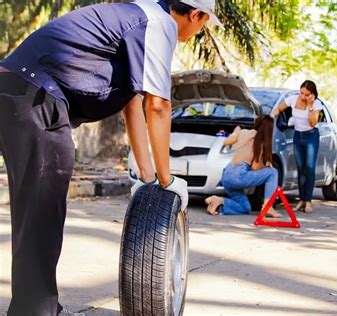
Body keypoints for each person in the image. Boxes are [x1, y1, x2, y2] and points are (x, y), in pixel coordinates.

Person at [0, 0, 223, 314]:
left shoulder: (139, 14)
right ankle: (35, 311)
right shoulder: (159, 24)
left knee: (34, 213)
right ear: (196, 14)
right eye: (204, 24)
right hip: (37, 95)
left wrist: (147, 178)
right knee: (42, 213)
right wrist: (167, 179)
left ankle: (37, 306)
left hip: (19, 90)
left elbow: (132, 104)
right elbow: (157, 106)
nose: (200, 31)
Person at [205, 116, 282, 218]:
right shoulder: (262, 143)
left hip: (226, 175)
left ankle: (218, 201)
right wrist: (266, 165)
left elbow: (226, 142)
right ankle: (268, 207)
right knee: (272, 172)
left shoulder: (244, 132)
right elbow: (255, 167)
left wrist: (235, 133)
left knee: (245, 208)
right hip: (238, 176)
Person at [270, 80, 322, 213]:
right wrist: (269, 117)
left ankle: (308, 201)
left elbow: (312, 123)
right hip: (298, 136)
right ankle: (301, 200)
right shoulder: (293, 99)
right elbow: (279, 109)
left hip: (311, 136)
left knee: (309, 168)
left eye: (306, 94)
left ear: (312, 94)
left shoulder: (316, 104)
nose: (303, 96)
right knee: (300, 168)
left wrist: (310, 105)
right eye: (301, 93)